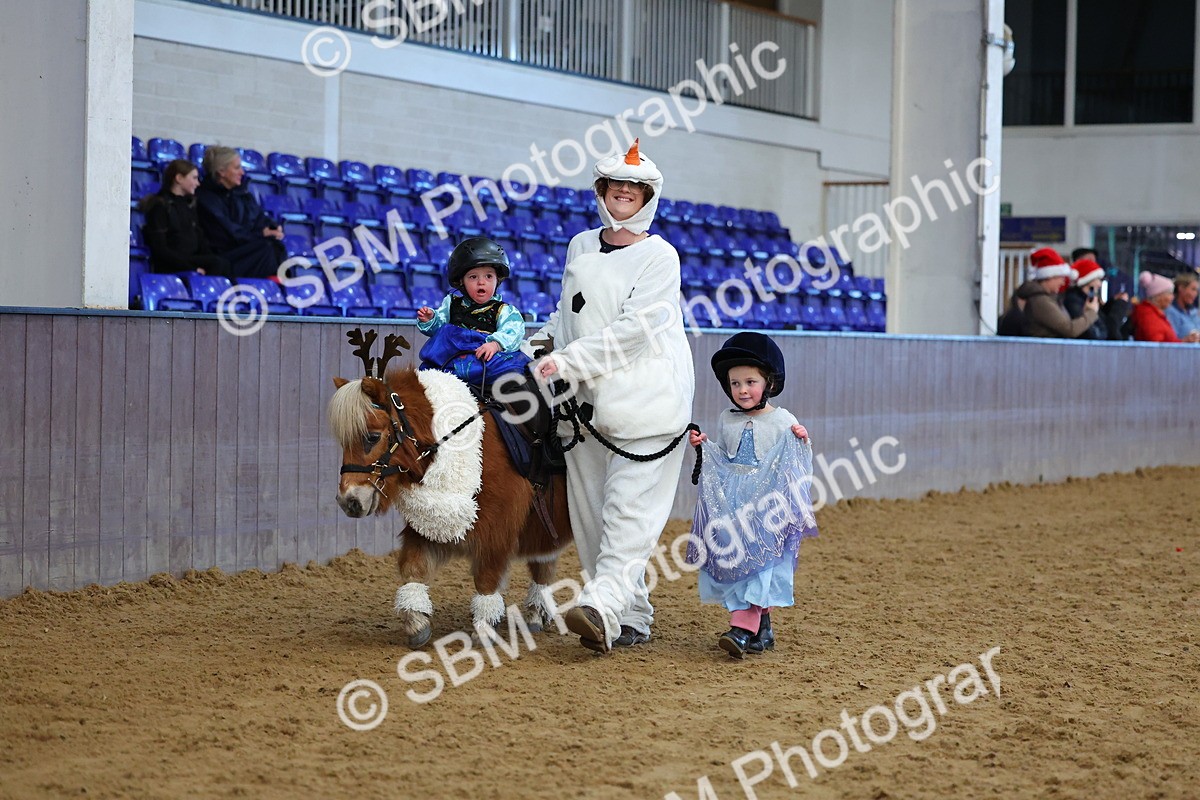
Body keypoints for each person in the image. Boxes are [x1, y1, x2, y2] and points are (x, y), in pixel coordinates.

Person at [530, 140, 695, 653]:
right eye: (615, 185)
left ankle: (600, 606)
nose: (624, 192)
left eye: (635, 187)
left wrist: (568, 361)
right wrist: (537, 344)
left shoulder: (660, 256)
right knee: (592, 518)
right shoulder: (580, 245)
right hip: (582, 409)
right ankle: (635, 616)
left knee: (627, 517)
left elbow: (634, 332)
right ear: (601, 191)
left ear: (648, 196)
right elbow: (567, 315)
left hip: (646, 403)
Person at [685, 333, 816, 659]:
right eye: (735, 383)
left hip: (765, 508)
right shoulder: (727, 420)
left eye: (750, 382)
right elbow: (726, 460)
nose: (742, 390)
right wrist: (705, 447)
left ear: (768, 383)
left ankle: (742, 629)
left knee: (759, 566)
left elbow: (797, 462)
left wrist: (801, 440)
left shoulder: (782, 420)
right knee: (740, 560)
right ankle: (764, 630)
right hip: (734, 504)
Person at [415, 237, 531, 387]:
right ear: (461, 281)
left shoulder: (505, 310)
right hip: (451, 361)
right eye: (473, 277)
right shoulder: (451, 303)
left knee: (515, 367)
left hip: (485, 361)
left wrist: (496, 344)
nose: (481, 282)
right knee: (445, 335)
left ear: (498, 280)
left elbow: (513, 331)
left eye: (488, 276)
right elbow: (438, 330)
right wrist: (431, 320)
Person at [195, 146, 286, 279]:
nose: (242, 172)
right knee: (266, 248)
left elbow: (259, 217)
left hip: (248, 247)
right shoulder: (206, 199)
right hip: (226, 254)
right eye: (237, 168)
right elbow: (228, 234)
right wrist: (260, 234)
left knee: (276, 246)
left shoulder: (242, 194)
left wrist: (272, 227)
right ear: (221, 171)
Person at [138, 159, 231, 277]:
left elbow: (200, 240)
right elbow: (160, 249)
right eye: (194, 178)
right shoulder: (160, 206)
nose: (198, 183)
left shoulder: (189, 205)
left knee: (223, 263)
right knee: (217, 263)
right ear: (179, 178)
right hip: (170, 263)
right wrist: (192, 268)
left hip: (189, 259)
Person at [1015, 248, 1099, 338]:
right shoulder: (1041, 301)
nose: (1063, 283)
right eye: (1061, 278)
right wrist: (1091, 313)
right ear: (1050, 277)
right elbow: (1070, 330)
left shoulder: (1047, 299)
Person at [1132, 272, 1200, 343]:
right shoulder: (1148, 316)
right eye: (1170, 293)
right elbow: (1158, 346)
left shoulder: (1156, 315)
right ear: (1159, 296)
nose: (1172, 297)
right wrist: (1184, 341)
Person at [1164, 272, 1200, 341]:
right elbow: (1171, 340)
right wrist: (1187, 340)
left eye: (1197, 291)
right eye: (1193, 289)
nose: (1195, 294)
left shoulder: (1195, 313)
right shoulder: (1170, 312)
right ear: (1181, 288)